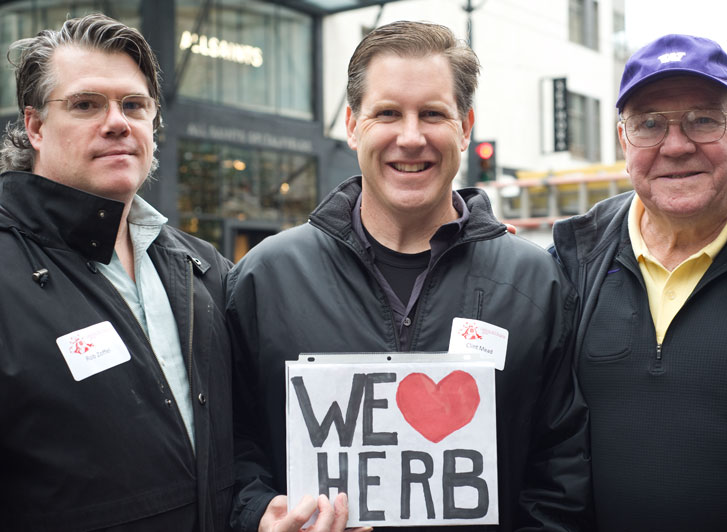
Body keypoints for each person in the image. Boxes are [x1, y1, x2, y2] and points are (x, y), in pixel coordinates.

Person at [226, 20, 590, 532]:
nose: (412, 137)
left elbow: (562, 470)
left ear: (465, 127)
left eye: (433, 114)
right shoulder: (266, 277)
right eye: (389, 113)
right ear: (353, 124)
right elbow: (230, 445)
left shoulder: (536, 282)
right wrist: (256, 515)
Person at [550, 34, 727, 531]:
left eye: (703, 119)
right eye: (649, 124)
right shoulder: (570, 262)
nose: (677, 145)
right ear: (625, 142)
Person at [0, 14, 234, 531]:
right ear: (35, 126)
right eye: (85, 104)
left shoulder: (203, 268)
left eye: (134, 105)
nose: (116, 122)